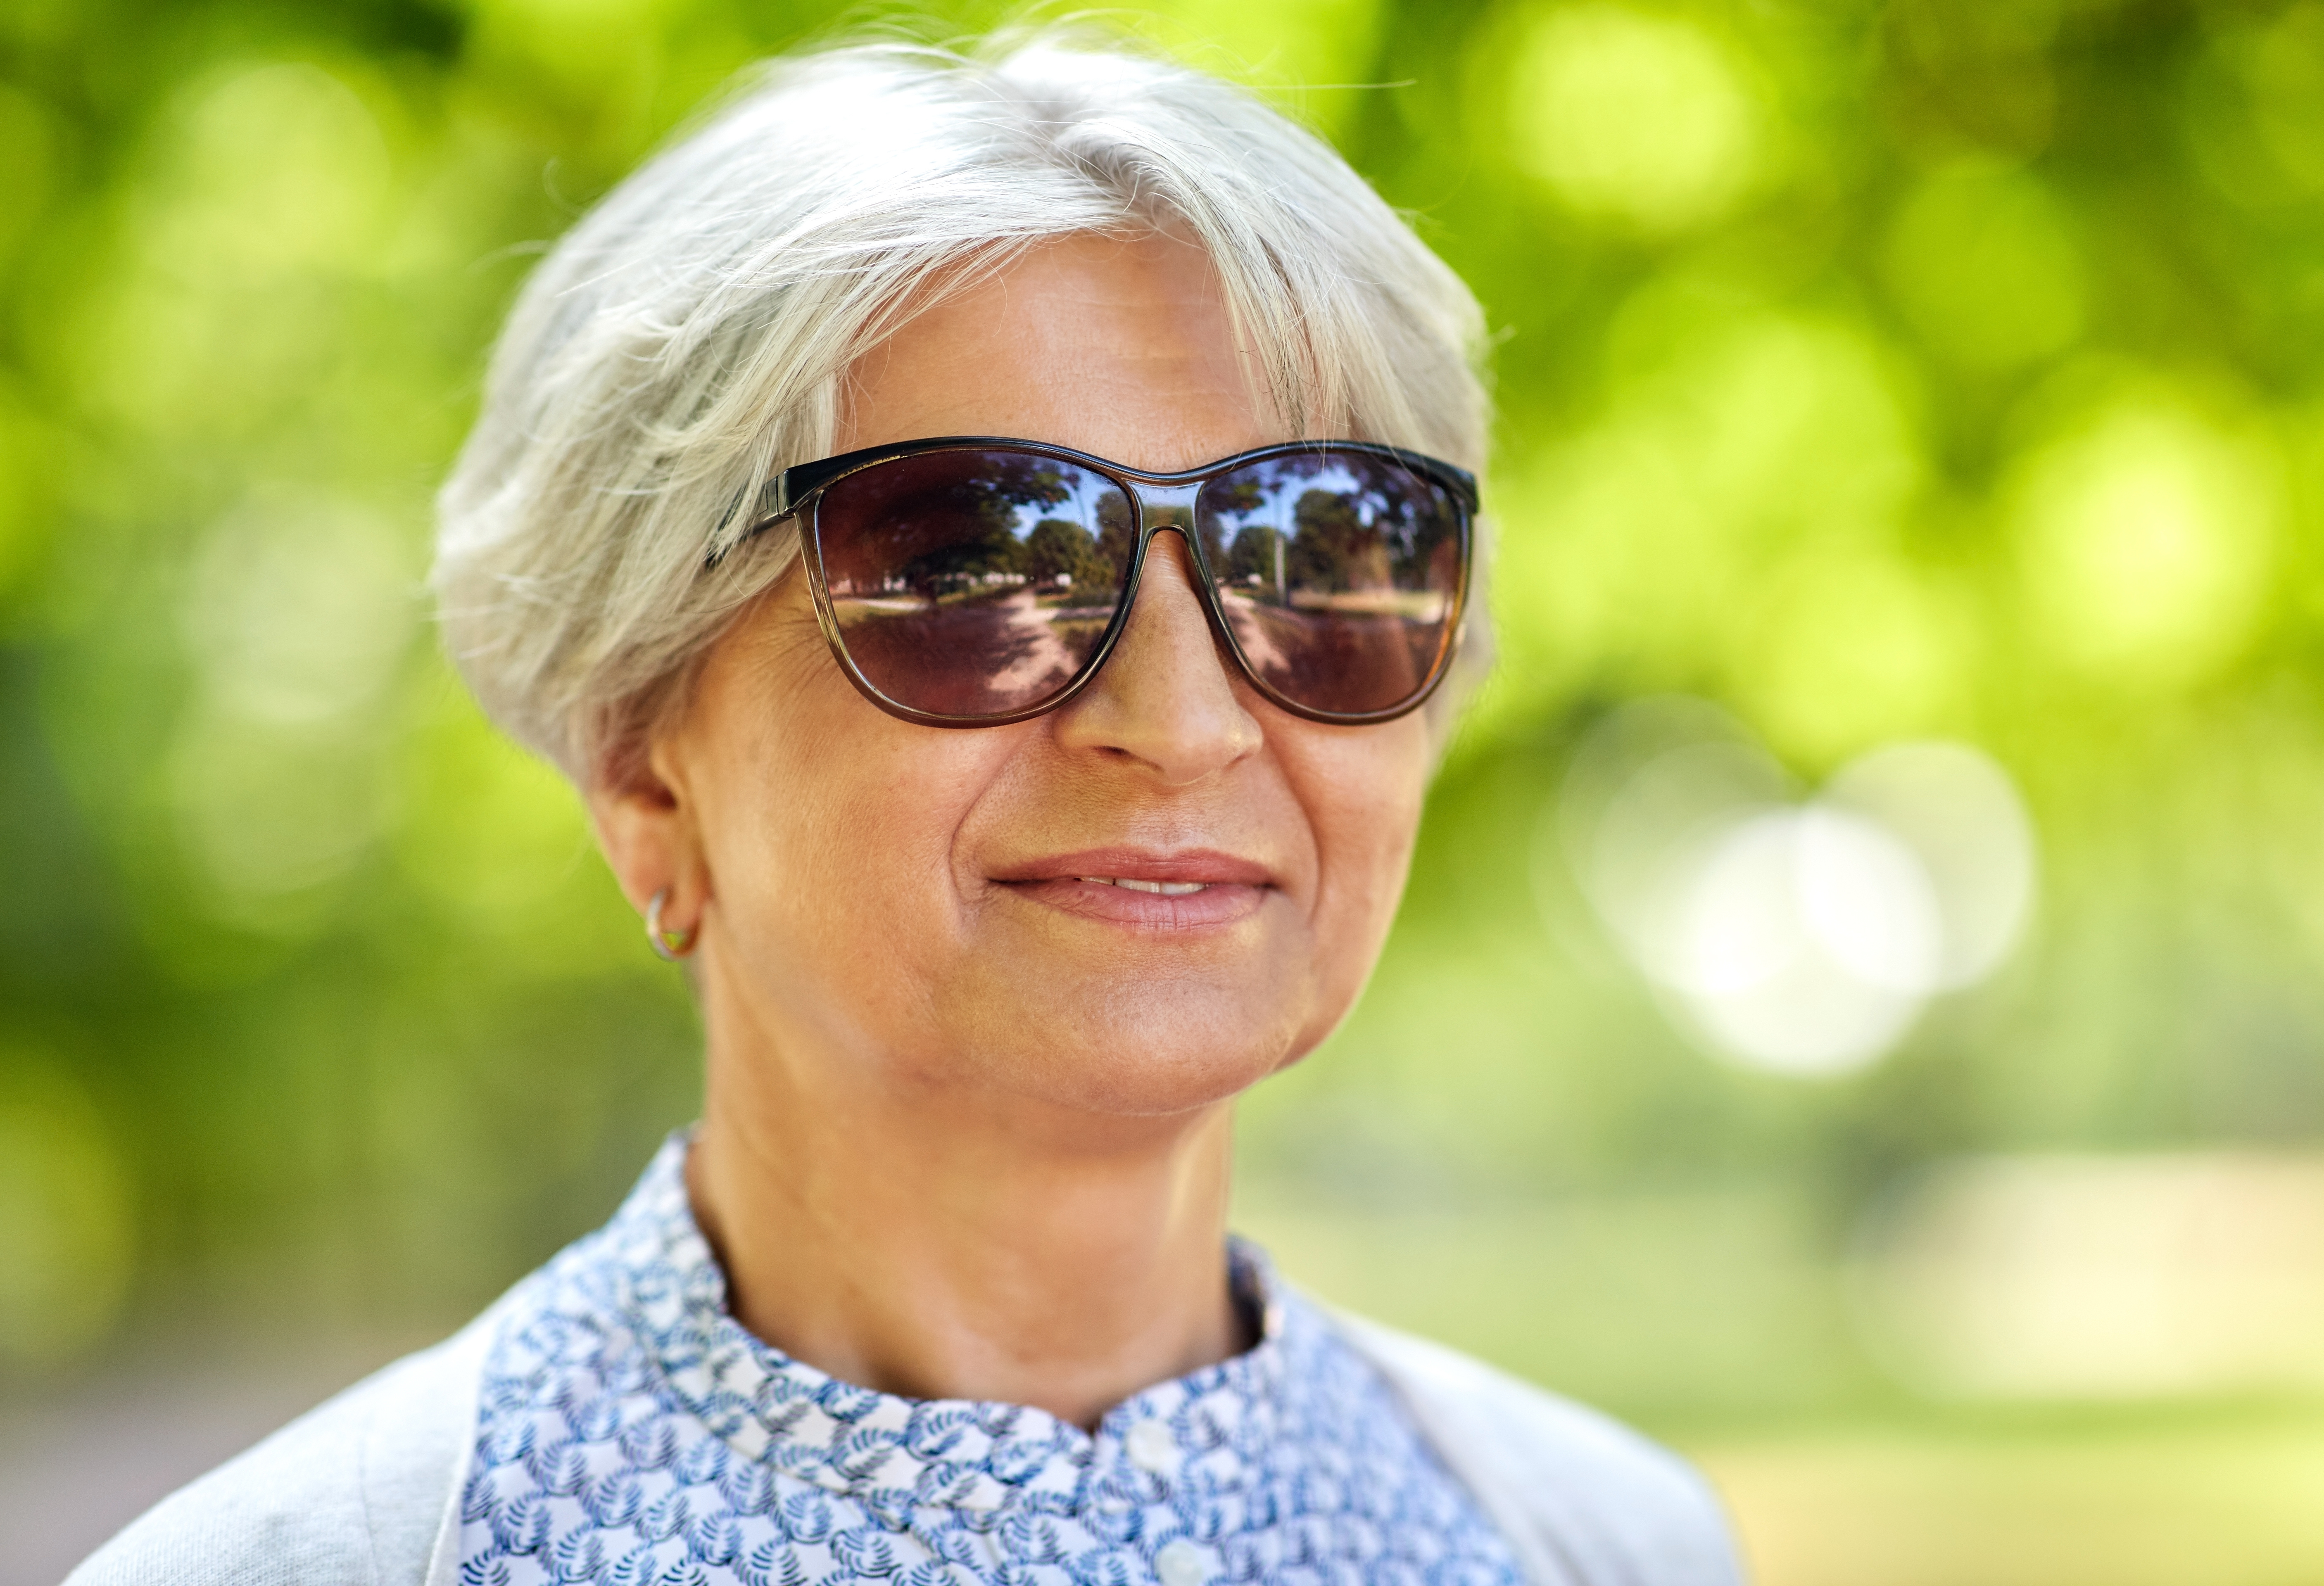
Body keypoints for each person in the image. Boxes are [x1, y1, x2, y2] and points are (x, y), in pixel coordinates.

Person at [70, 31, 1741, 1586]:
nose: (1178, 726)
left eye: (1315, 561)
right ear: (645, 770)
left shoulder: (1606, 1546)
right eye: (971, 565)